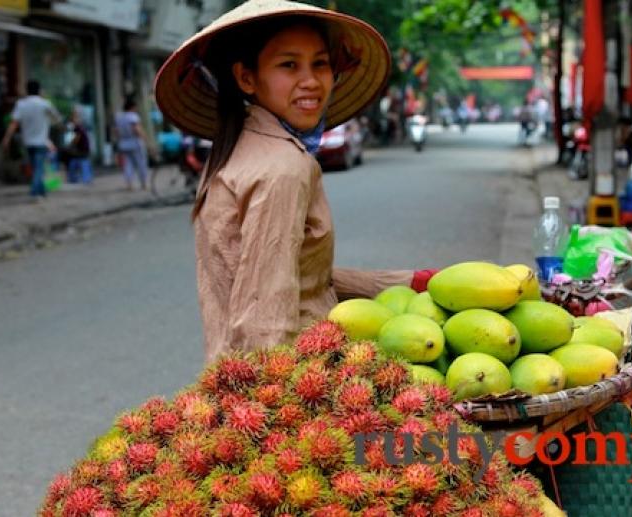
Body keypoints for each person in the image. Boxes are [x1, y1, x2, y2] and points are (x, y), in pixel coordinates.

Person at [153, 0, 436, 363]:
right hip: (290, 379)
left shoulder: (235, 149)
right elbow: (265, 320)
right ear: (246, 78)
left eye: (320, 64)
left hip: (231, 373)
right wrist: (281, 406)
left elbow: (297, 276)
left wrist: (410, 282)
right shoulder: (284, 165)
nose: (311, 81)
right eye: (289, 65)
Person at [1, 80, 61, 199]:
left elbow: (14, 123)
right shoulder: (45, 103)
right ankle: (35, 192)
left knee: (35, 166)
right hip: (42, 141)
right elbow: (57, 119)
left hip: (28, 142)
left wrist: (6, 138)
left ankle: (41, 192)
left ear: (27, 90)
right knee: (39, 167)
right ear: (39, 90)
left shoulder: (21, 104)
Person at [113, 98, 151, 191]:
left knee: (128, 165)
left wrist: (119, 140)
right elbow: (136, 129)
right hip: (135, 143)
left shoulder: (119, 117)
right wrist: (145, 138)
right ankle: (144, 183)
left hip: (123, 143)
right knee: (141, 163)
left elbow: (116, 131)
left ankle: (129, 184)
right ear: (132, 107)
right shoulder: (133, 116)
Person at [63, 109, 93, 184]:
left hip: (82, 149)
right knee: (78, 162)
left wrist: (71, 145)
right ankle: (81, 178)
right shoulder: (79, 127)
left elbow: (77, 138)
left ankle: (77, 178)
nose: (74, 120)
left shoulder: (78, 127)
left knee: (76, 161)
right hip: (83, 149)